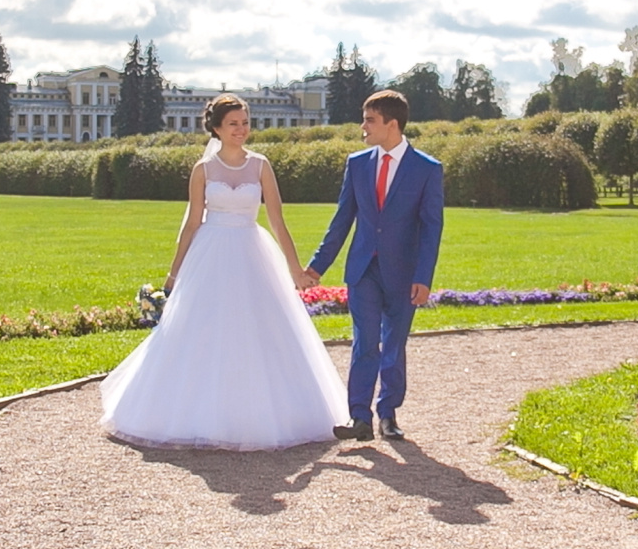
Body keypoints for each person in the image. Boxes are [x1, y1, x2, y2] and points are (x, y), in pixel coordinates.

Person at [100, 94, 347, 451]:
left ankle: (264, 414)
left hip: (252, 251)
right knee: (200, 329)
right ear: (216, 127)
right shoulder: (203, 170)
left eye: (245, 122)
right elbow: (191, 223)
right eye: (233, 123)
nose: (241, 129)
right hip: (210, 253)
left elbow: (277, 220)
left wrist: (295, 268)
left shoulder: (261, 165)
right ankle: (194, 414)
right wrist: (174, 275)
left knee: (258, 328)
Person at [304, 89, 444, 442]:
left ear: (391, 124)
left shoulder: (427, 169)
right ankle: (359, 418)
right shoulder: (357, 164)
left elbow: (431, 228)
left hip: (404, 273)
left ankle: (388, 413)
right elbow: (341, 221)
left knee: (393, 344)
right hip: (363, 269)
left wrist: (423, 277)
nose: (362, 126)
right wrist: (316, 268)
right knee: (364, 341)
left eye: (369, 119)